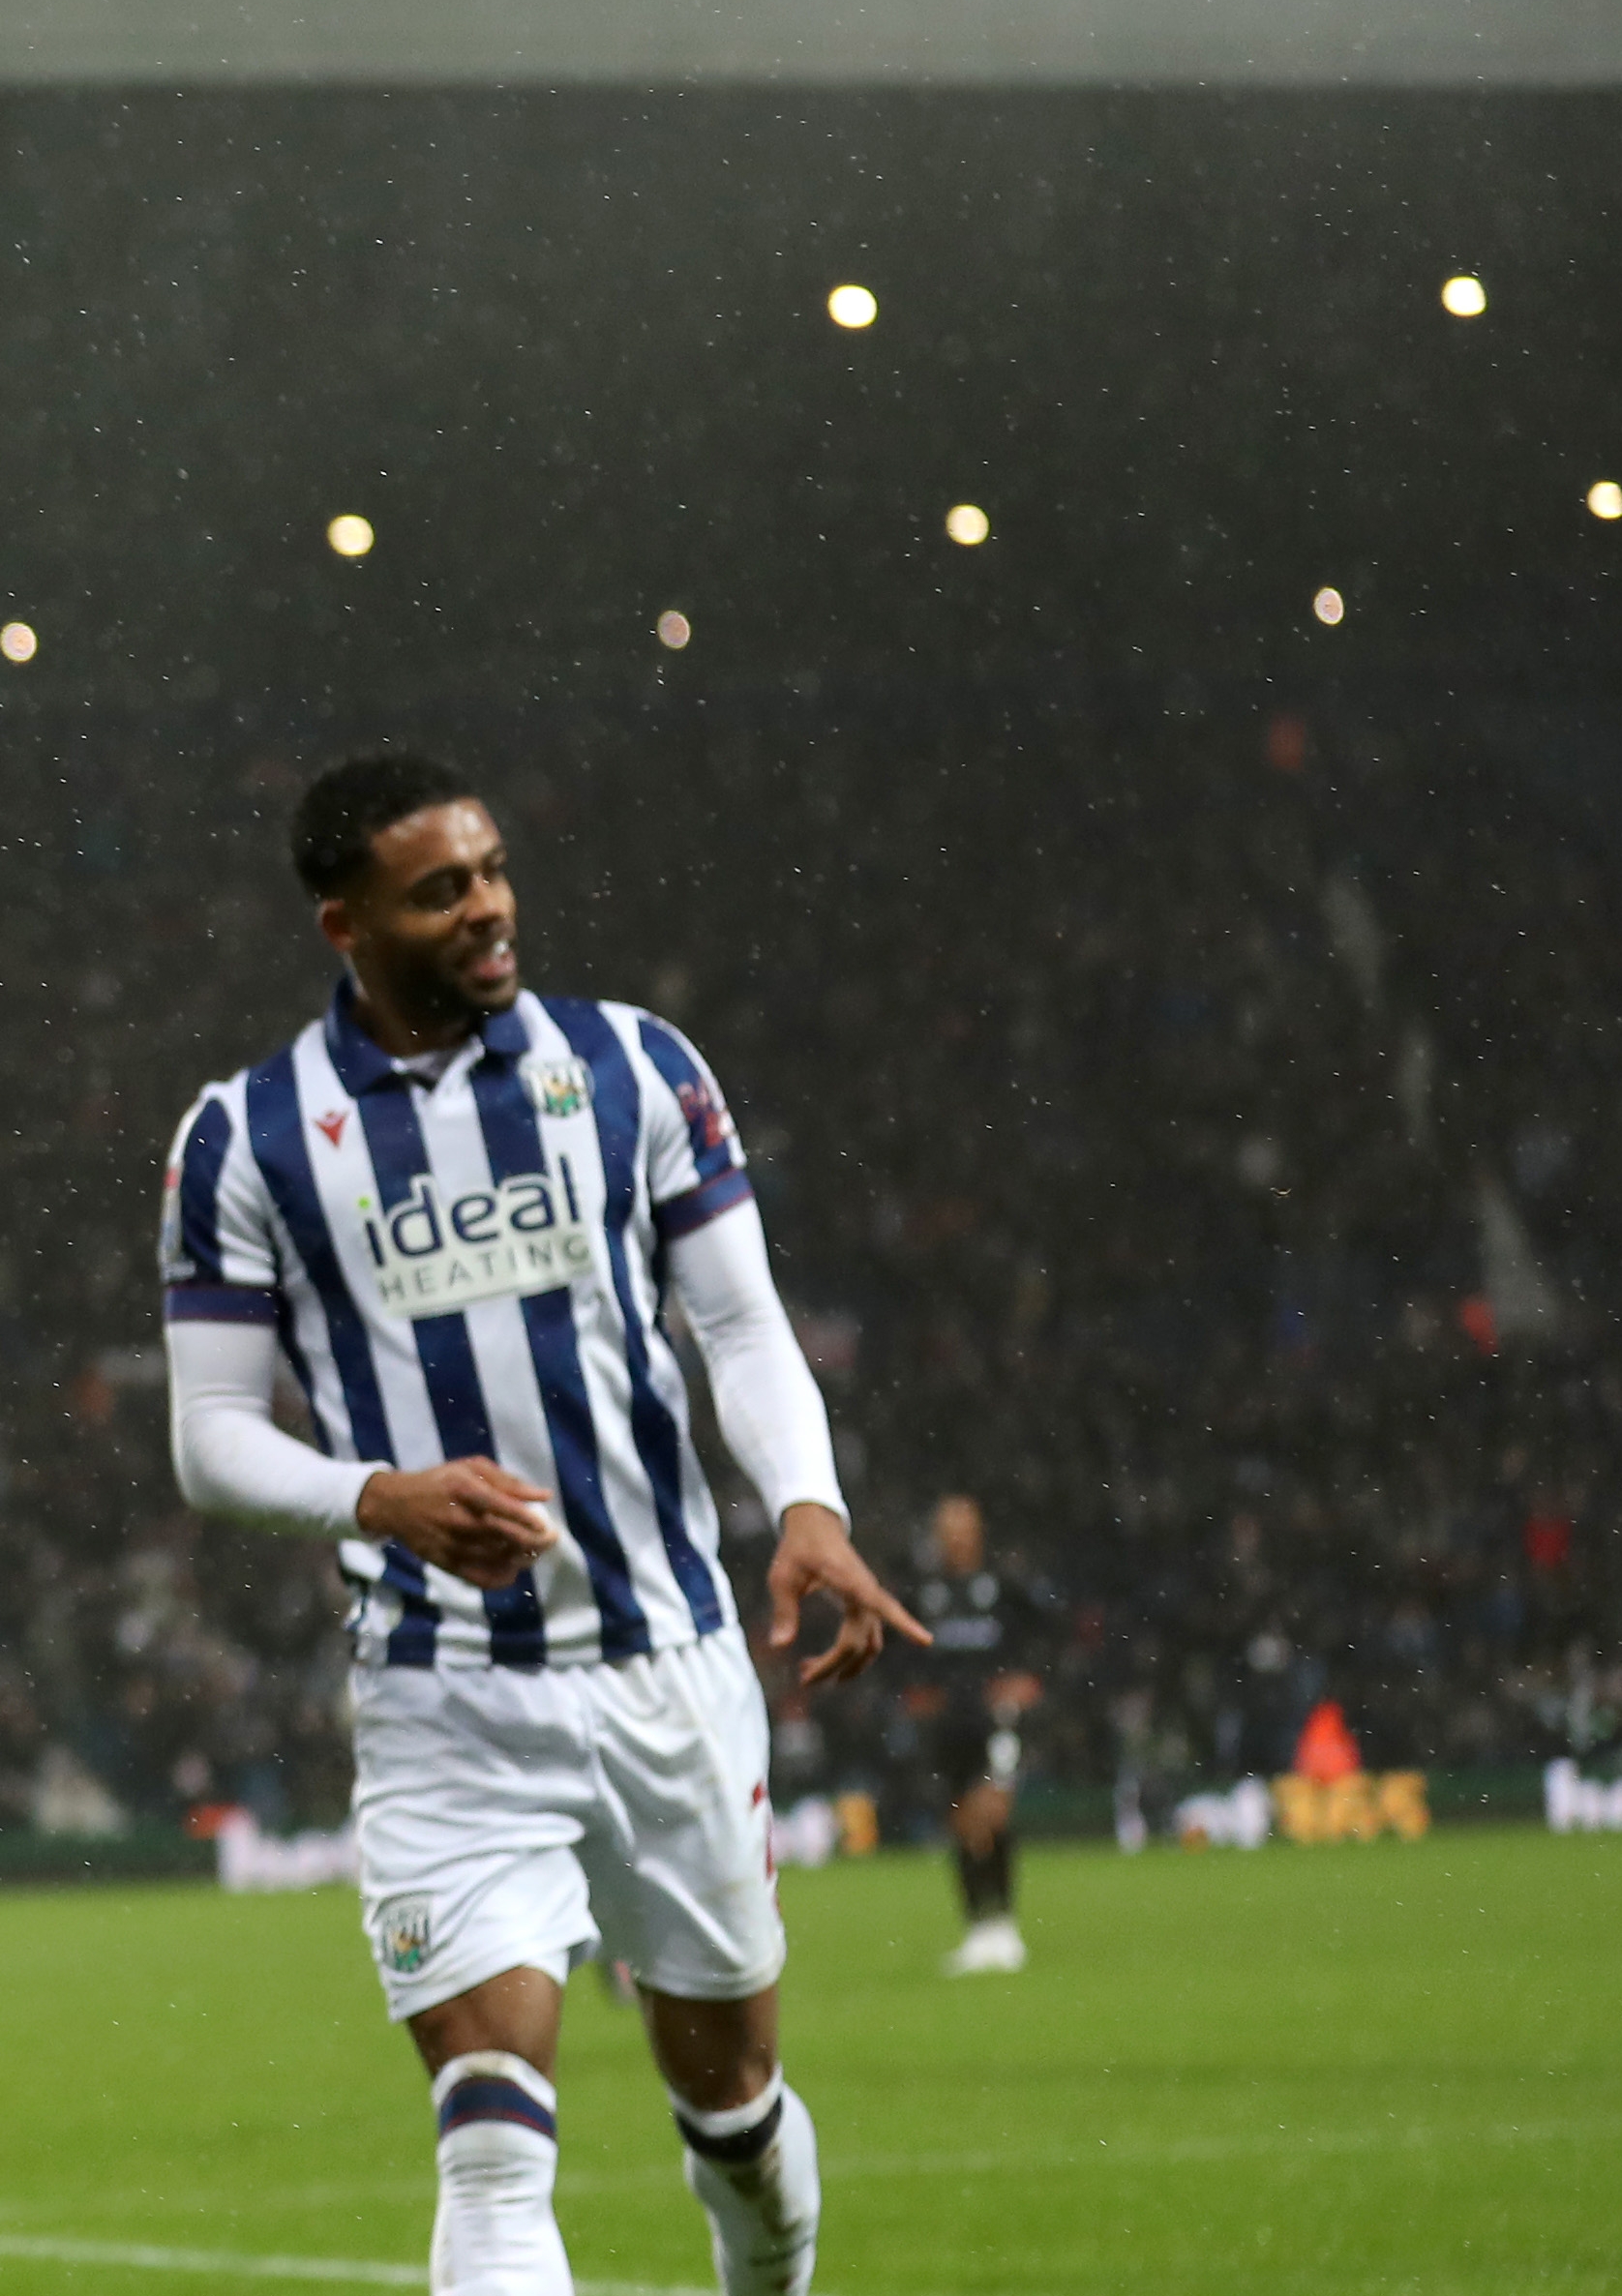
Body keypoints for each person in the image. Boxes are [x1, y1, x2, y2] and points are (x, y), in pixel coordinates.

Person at [155, 752, 925, 2296]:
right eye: (442, 888)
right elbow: (212, 1440)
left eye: (495, 869)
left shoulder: (633, 1067)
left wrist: (809, 1507)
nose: (490, 905)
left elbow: (743, 1325)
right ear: (344, 923)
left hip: (671, 1672)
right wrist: (373, 1494)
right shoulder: (243, 1139)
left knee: (735, 2118)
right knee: (493, 2144)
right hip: (446, 1696)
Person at [916, 1493, 1041, 1975]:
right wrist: (917, 1692)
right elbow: (907, 1654)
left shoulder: (1002, 1589)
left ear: (978, 1533)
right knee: (962, 1825)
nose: (957, 1537)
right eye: (949, 1529)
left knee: (993, 1811)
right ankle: (977, 1930)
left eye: (964, 1527)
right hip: (950, 1725)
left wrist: (1029, 1678)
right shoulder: (927, 1593)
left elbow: (1039, 1636)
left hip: (997, 1721)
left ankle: (1005, 1927)